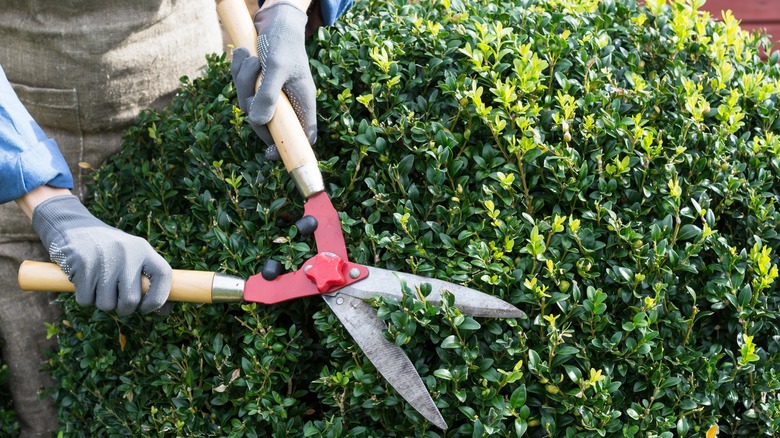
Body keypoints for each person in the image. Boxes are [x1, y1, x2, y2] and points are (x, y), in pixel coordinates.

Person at [0, 0, 352, 435]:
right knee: (52, 410)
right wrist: (44, 199)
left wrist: (287, 9)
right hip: (23, 117)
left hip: (186, 95)